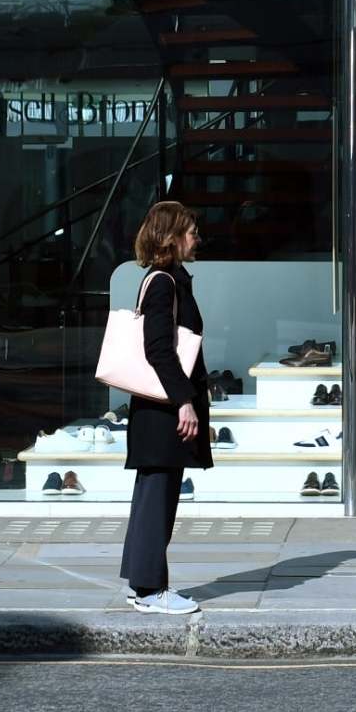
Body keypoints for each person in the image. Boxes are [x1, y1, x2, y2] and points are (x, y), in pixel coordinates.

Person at [119, 200, 211, 615]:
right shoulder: (163, 283)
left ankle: (144, 584)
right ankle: (151, 590)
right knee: (157, 498)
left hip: (159, 408)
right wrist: (184, 402)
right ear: (170, 238)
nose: (197, 238)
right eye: (190, 232)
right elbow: (157, 349)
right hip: (162, 409)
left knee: (154, 497)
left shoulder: (168, 280)